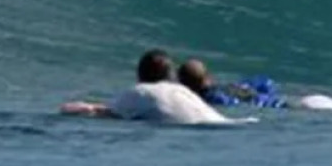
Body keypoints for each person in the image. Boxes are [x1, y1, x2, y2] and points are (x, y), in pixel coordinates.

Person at [59, 49, 250, 125]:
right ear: (171, 75)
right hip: (229, 123)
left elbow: (111, 115)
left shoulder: (141, 91)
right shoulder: (183, 91)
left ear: (140, 75)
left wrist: (84, 108)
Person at [177, 58, 289, 109]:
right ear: (208, 76)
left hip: (252, 99)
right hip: (244, 90)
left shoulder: (211, 99)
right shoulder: (218, 90)